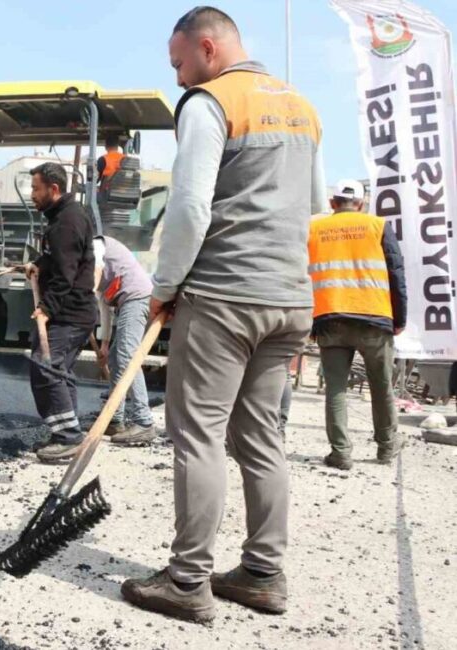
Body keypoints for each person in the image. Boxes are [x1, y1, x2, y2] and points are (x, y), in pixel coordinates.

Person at [121, 7, 325, 623]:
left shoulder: (210, 102)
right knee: (261, 436)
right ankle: (263, 574)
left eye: (179, 62)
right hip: (289, 300)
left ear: (207, 49)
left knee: (199, 432)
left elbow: (189, 208)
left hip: (225, 296)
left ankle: (187, 581)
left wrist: (164, 287)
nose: (178, 77)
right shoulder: (302, 107)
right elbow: (314, 210)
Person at [310, 179, 407, 470]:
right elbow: (396, 272)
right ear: (362, 204)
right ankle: (386, 447)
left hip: (329, 318)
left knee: (335, 390)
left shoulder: (314, 228)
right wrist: (400, 317)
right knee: (381, 386)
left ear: (333, 203)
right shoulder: (378, 226)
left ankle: (340, 452)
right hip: (374, 318)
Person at [24, 162, 99, 464]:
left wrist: (46, 308)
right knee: (60, 372)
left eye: (36, 188)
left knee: (46, 367)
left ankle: (68, 437)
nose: (32, 194)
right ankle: (67, 432)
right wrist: (38, 264)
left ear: (53, 189)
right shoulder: (63, 217)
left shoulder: (67, 222)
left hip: (70, 313)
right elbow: (58, 258)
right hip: (74, 313)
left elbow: (65, 275)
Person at [95, 235, 156, 445]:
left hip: (137, 297)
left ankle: (144, 421)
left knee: (128, 356)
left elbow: (93, 283)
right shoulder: (94, 269)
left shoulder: (95, 246)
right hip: (126, 301)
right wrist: (104, 345)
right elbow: (104, 306)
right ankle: (115, 419)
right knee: (114, 358)